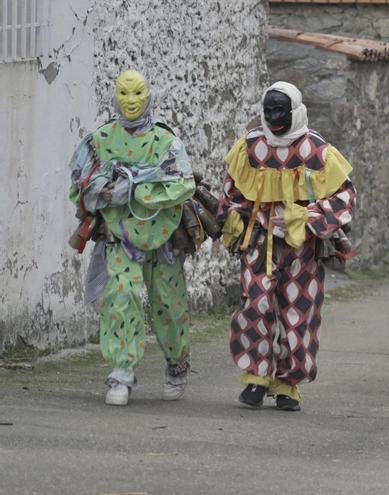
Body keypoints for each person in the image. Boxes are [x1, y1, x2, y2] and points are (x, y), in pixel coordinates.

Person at [217, 81, 356, 411]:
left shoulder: (318, 152)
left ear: (296, 111)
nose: (274, 117)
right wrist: (234, 216)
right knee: (255, 305)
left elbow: (345, 198)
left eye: (281, 111)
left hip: (302, 249)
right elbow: (231, 191)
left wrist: (303, 216)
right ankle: (257, 375)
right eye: (269, 111)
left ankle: (287, 383)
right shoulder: (250, 147)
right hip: (259, 242)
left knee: (298, 312)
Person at [68, 70, 196, 406]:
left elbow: (183, 183)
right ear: (115, 96)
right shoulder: (100, 140)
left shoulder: (165, 141)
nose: (131, 101)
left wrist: (138, 188)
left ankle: (177, 362)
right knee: (120, 296)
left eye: (137, 93)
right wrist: (104, 191)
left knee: (168, 303)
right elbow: (78, 183)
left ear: (149, 95)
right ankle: (121, 373)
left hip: (162, 238)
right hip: (120, 238)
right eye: (124, 93)